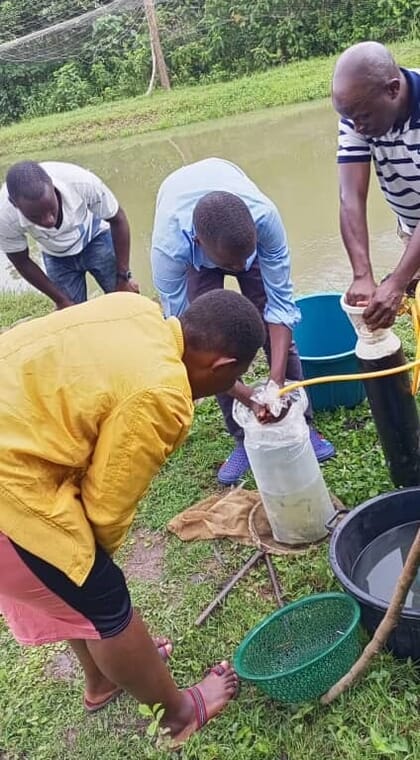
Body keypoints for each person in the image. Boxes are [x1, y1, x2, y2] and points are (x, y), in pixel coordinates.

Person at [0, 289, 265, 745]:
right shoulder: (163, 393)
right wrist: (100, 581)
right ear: (221, 367)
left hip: (16, 430)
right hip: (10, 493)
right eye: (233, 378)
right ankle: (178, 715)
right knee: (103, 598)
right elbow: (106, 507)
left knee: (80, 591)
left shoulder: (135, 309)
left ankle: (104, 681)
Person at [151, 157, 335, 485]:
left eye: (244, 259)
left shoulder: (265, 219)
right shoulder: (170, 249)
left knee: (270, 317)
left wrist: (275, 386)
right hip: (195, 247)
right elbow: (186, 343)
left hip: (234, 234)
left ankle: (301, 424)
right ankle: (243, 439)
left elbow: (281, 307)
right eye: (231, 262)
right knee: (209, 343)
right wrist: (248, 397)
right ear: (198, 243)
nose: (239, 267)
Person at [332, 41, 420, 329]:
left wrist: (398, 279)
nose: (356, 127)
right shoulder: (358, 113)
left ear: (393, 89)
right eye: (350, 118)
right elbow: (351, 197)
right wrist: (362, 274)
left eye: (363, 117)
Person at [0, 160, 139, 309]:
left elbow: (118, 219)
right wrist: (60, 300)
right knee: (72, 315)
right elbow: (21, 261)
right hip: (56, 255)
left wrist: (124, 277)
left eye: (51, 209)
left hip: (95, 237)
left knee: (125, 300)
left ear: (53, 188)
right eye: (36, 216)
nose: (49, 221)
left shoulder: (82, 183)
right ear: (15, 205)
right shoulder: (4, 217)